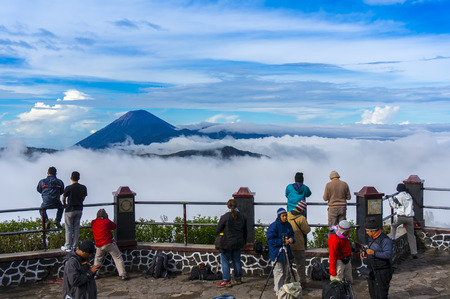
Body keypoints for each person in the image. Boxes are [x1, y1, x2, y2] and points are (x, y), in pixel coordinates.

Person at [215, 199, 248, 288]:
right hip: (238, 242)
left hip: (226, 243)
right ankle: (238, 279)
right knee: (236, 260)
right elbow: (245, 231)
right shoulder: (242, 217)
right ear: (236, 205)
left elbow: (218, 230)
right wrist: (243, 241)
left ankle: (226, 280)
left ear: (228, 206)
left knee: (225, 261)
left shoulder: (224, 217)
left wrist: (221, 234)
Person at [360, 217, 393, 299]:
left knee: (381, 294)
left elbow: (388, 254)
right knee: (373, 293)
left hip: (382, 271)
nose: (366, 233)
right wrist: (364, 251)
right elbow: (370, 246)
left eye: (367, 231)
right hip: (372, 270)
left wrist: (374, 253)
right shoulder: (372, 238)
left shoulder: (385, 240)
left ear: (373, 231)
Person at [91, 209, 128, 280]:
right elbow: (114, 226)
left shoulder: (93, 222)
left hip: (99, 245)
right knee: (117, 257)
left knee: (98, 259)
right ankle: (122, 274)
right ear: (105, 215)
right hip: (108, 243)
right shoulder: (106, 221)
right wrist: (107, 218)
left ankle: (95, 274)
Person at [267, 208, 295, 297]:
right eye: (283, 216)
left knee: (285, 274)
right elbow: (270, 240)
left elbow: (292, 235)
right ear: (279, 216)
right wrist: (282, 242)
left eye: (286, 215)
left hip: (286, 253)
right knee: (279, 273)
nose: (285, 217)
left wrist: (291, 240)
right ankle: (279, 293)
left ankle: (280, 289)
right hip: (276, 254)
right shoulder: (274, 226)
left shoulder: (288, 225)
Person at [388, 183, 418, 259]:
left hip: (401, 217)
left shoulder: (397, 197)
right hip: (410, 217)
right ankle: (414, 252)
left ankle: (392, 238)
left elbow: (394, 206)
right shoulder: (409, 196)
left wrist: (390, 199)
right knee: (411, 235)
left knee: (393, 226)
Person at [61, 171, 88, 252]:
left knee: (68, 228)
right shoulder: (83, 187)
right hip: (79, 209)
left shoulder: (68, 188)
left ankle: (68, 246)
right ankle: (74, 246)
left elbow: (63, 198)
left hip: (69, 210)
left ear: (71, 178)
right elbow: (83, 198)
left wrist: (65, 204)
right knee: (76, 228)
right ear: (79, 178)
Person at [287, 201, 311, 288]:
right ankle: (302, 283)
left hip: (288, 244)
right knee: (300, 265)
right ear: (302, 210)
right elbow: (307, 230)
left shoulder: (287, 215)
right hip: (299, 245)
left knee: (288, 264)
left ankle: (286, 282)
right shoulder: (302, 218)